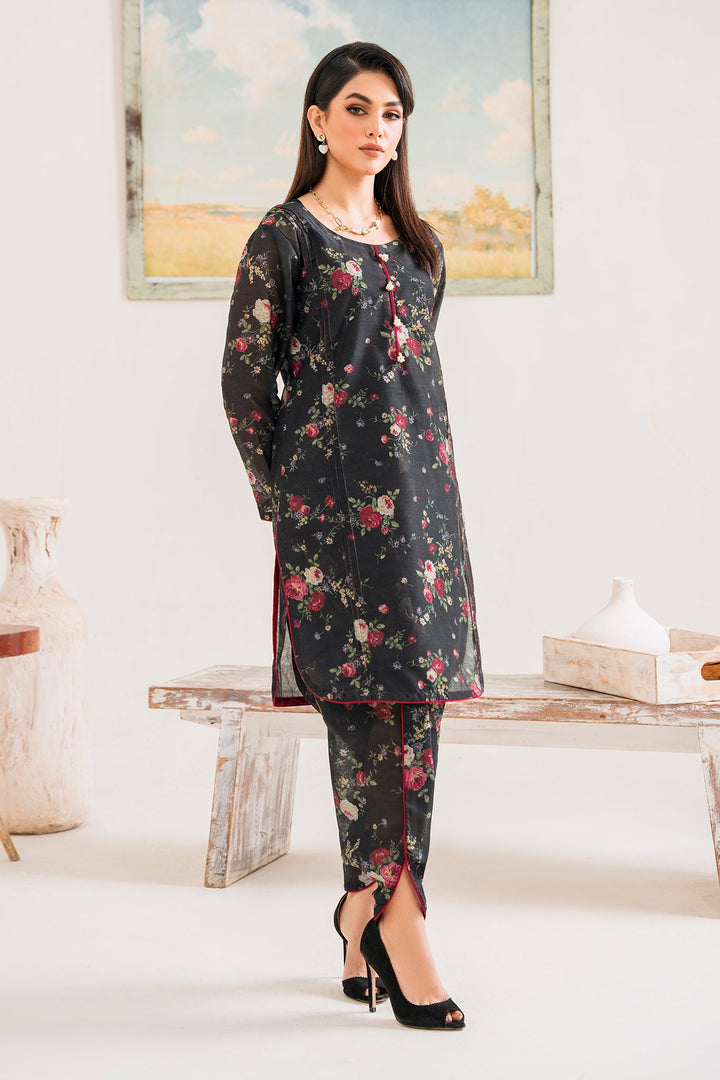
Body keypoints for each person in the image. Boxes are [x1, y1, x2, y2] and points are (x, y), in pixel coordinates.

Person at [221, 41, 484, 1031]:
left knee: (421, 708)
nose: (378, 127)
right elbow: (245, 382)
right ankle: (401, 923)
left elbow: (410, 386)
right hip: (332, 517)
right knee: (362, 710)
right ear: (318, 120)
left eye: (393, 113)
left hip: (426, 513)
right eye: (359, 108)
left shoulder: (420, 245)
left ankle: (362, 912)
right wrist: (284, 500)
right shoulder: (284, 237)